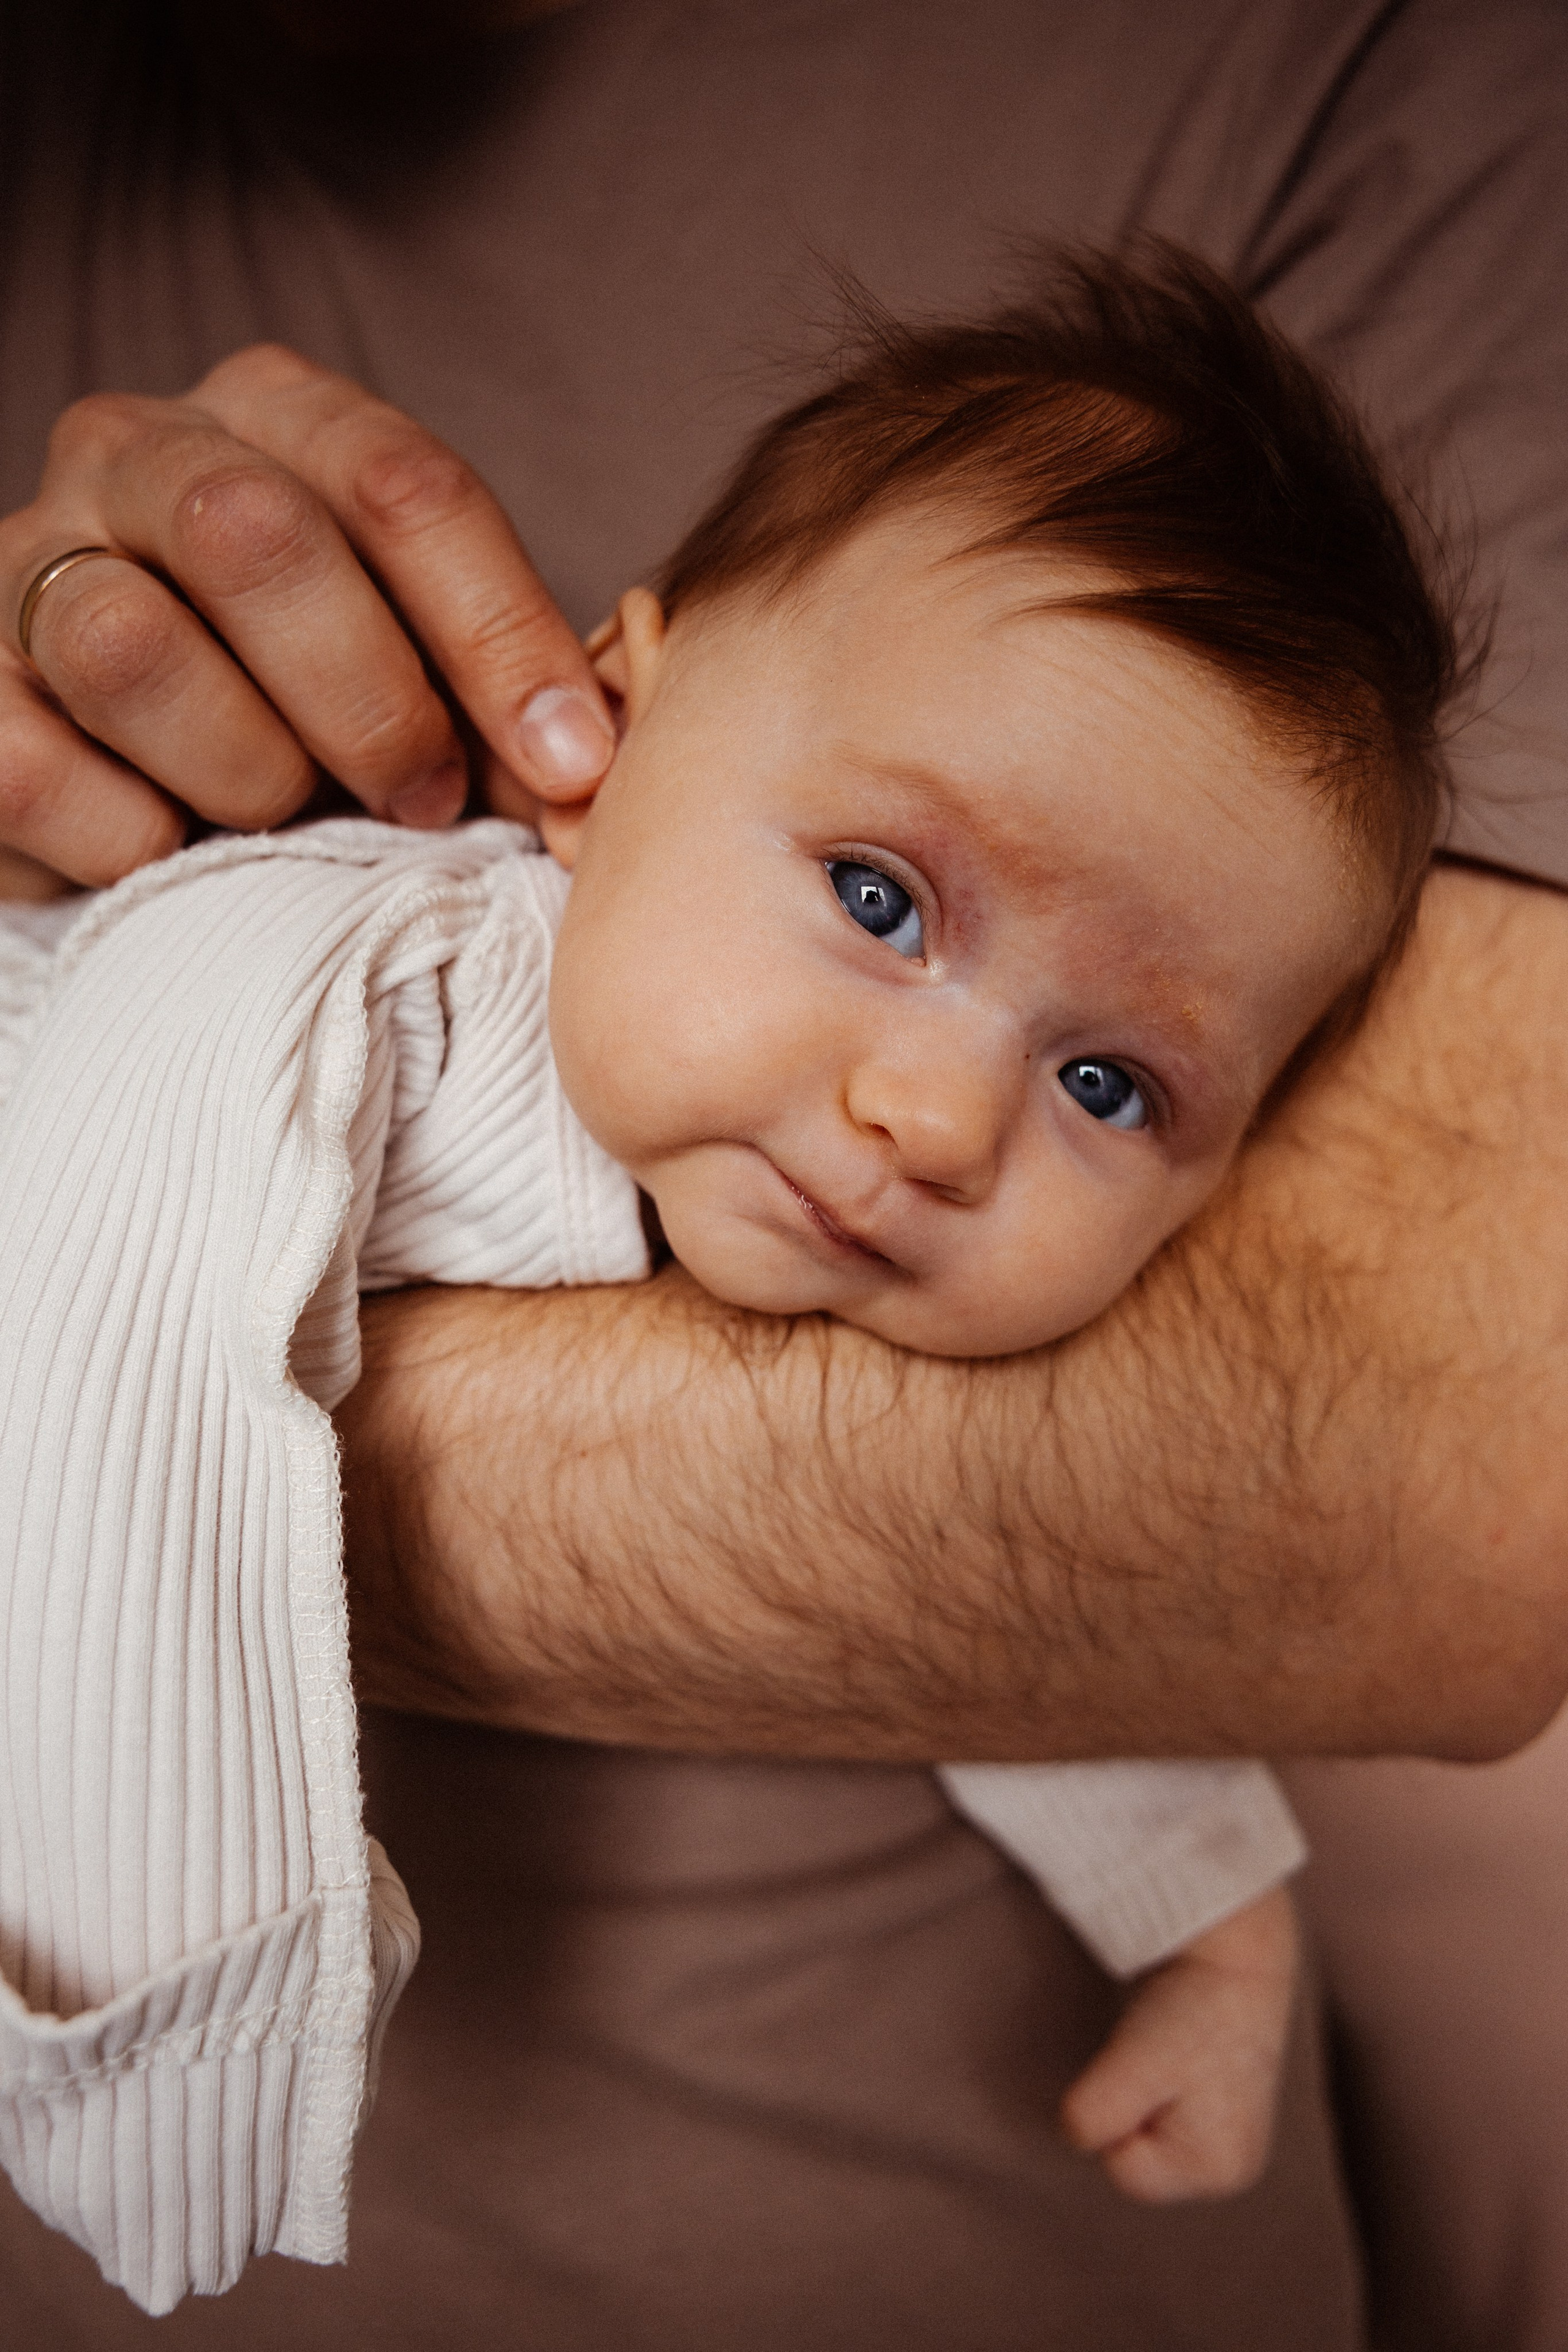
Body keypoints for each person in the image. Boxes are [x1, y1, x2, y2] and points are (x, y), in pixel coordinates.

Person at [0, 4, 1563, 2346]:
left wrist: (1217, 1948)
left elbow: (1074, 1676)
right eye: (880, 901)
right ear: (598, 734)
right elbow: (94, 1357)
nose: (939, 1123)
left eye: (1117, 1088)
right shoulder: (348, 974)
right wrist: (149, 2018)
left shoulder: (1386, 70)